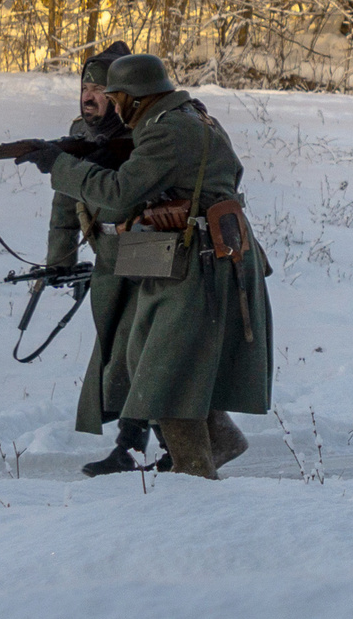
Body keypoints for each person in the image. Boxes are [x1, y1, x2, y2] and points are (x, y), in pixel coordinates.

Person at [32, 54, 272, 477]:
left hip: (196, 261)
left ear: (134, 97)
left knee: (165, 376)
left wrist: (61, 166)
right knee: (156, 364)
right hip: (197, 255)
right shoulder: (196, 117)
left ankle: (194, 479)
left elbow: (120, 193)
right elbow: (229, 173)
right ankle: (214, 447)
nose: (110, 104)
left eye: (113, 96)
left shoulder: (167, 131)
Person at [49, 41, 149, 476]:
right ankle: (176, 442)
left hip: (146, 253)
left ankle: (132, 448)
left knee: (136, 350)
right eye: (84, 88)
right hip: (107, 255)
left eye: (100, 90)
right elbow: (64, 198)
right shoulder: (80, 132)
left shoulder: (145, 133)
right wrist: (60, 258)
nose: (88, 97)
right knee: (123, 354)